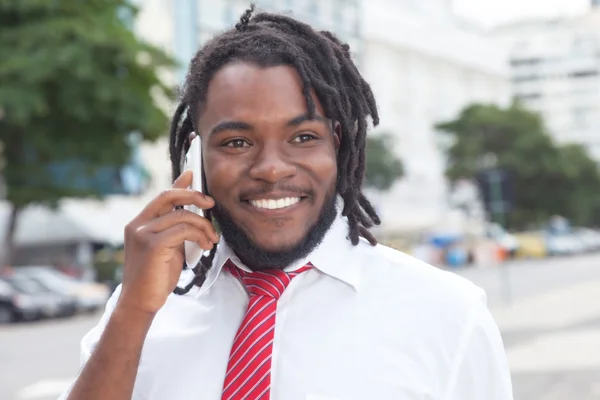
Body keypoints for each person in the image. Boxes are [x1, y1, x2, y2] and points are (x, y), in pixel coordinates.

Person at [61, 6, 513, 400]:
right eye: (237, 142)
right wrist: (134, 312)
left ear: (336, 146)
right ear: (196, 157)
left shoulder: (448, 315)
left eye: (303, 137)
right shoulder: (142, 308)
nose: (272, 168)